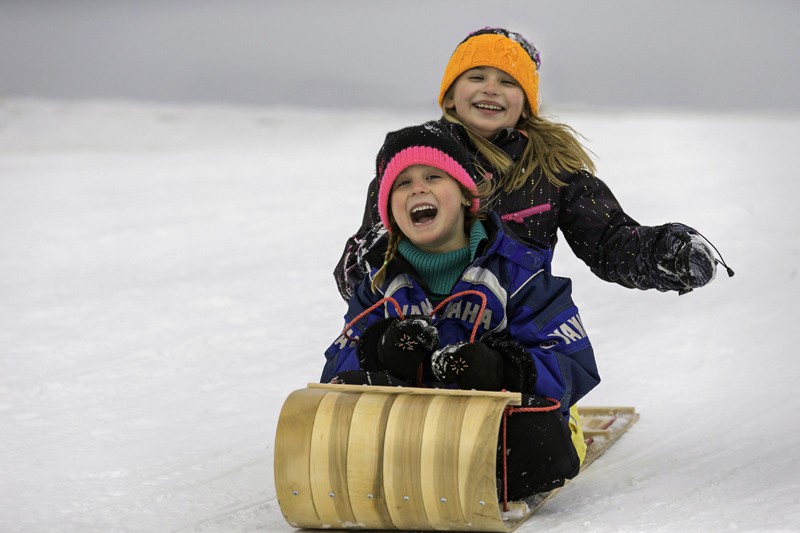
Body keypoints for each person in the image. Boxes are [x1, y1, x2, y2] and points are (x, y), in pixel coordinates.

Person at [334, 27, 733, 302]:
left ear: (525, 105)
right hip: (421, 320)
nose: (492, 88)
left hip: (520, 323)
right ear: (451, 97)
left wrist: (663, 254)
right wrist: (360, 266)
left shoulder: (552, 170)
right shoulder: (415, 161)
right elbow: (368, 248)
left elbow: (610, 242)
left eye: (509, 82)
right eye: (476, 77)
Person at [321, 121, 600, 499]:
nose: (417, 188)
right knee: (336, 433)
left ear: (467, 195)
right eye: (402, 183)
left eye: (433, 176)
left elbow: (574, 362)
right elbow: (334, 375)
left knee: (535, 444)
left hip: (491, 427)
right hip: (417, 432)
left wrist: (504, 367)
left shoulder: (516, 271)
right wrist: (378, 350)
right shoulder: (381, 282)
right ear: (389, 211)